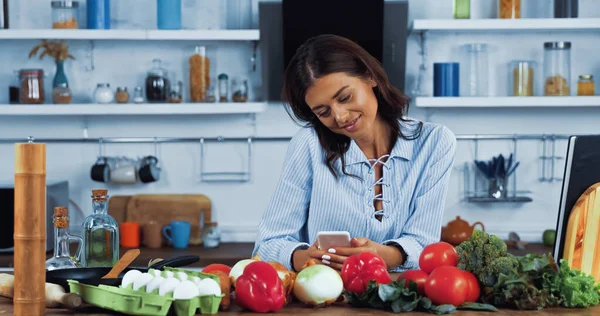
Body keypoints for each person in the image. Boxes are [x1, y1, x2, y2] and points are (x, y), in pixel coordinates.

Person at [252, 34, 456, 273]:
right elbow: (266, 246)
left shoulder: (435, 143)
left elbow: (425, 245)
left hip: (403, 299)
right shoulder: (308, 144)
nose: (339, 116)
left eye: (345, 97)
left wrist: (383, 255)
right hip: (329, 300)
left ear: (370, 76)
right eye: (322, 111)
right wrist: (304, 258)